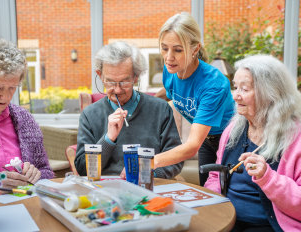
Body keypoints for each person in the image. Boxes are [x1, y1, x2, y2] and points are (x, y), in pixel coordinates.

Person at [205, 55, 301, 231]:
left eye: (245, 89)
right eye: (236, 87)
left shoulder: (296, 138)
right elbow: (215, 177)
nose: (236, 96)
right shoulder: (233, 129)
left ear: (270, 94)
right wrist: (211, 205)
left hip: (268, 226)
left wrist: (268, 177)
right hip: (227, 220)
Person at [75, 41, 183, 179]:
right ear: (100, 75)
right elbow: (82, 169)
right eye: (110, 82)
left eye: (124, 82)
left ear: (136, 77)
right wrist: (108, 139)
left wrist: (148, 173)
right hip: (105, 191)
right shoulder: (89, 115)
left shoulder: (160, 109)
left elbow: (176, 158)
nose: (118, 90)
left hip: (149, 186)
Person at [154, 12, 235, 186]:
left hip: (231, 141)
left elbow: (191, 146)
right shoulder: (171, 70)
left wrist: (147, 163)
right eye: (164, 48)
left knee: (227, 194)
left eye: (178, 50)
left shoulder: (213, 84)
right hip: (207, 139)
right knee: (207, 191)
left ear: (195, 49)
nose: (168, 57)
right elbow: (170, 93)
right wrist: (143, 103)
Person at [0, 39, 54, 187]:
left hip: (22, 204)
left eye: (12, 88)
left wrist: (36, 175)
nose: (7, 97)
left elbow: (45, 170)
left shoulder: (24, 119)